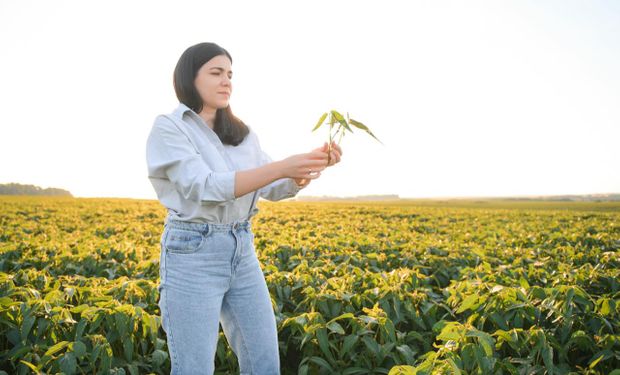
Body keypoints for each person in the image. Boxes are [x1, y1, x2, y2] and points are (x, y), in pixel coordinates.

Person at [145, 42, 342, 375]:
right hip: (193, 252)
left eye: (231, 74)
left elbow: (272, 186)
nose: (227, 81)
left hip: (242, 248)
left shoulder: (242, 133)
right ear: (189, 77)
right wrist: (282, 166)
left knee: (263, 361)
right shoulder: (170, 127)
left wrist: (308, 167)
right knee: (194, 368)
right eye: (216, 72)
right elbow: (204, 186)